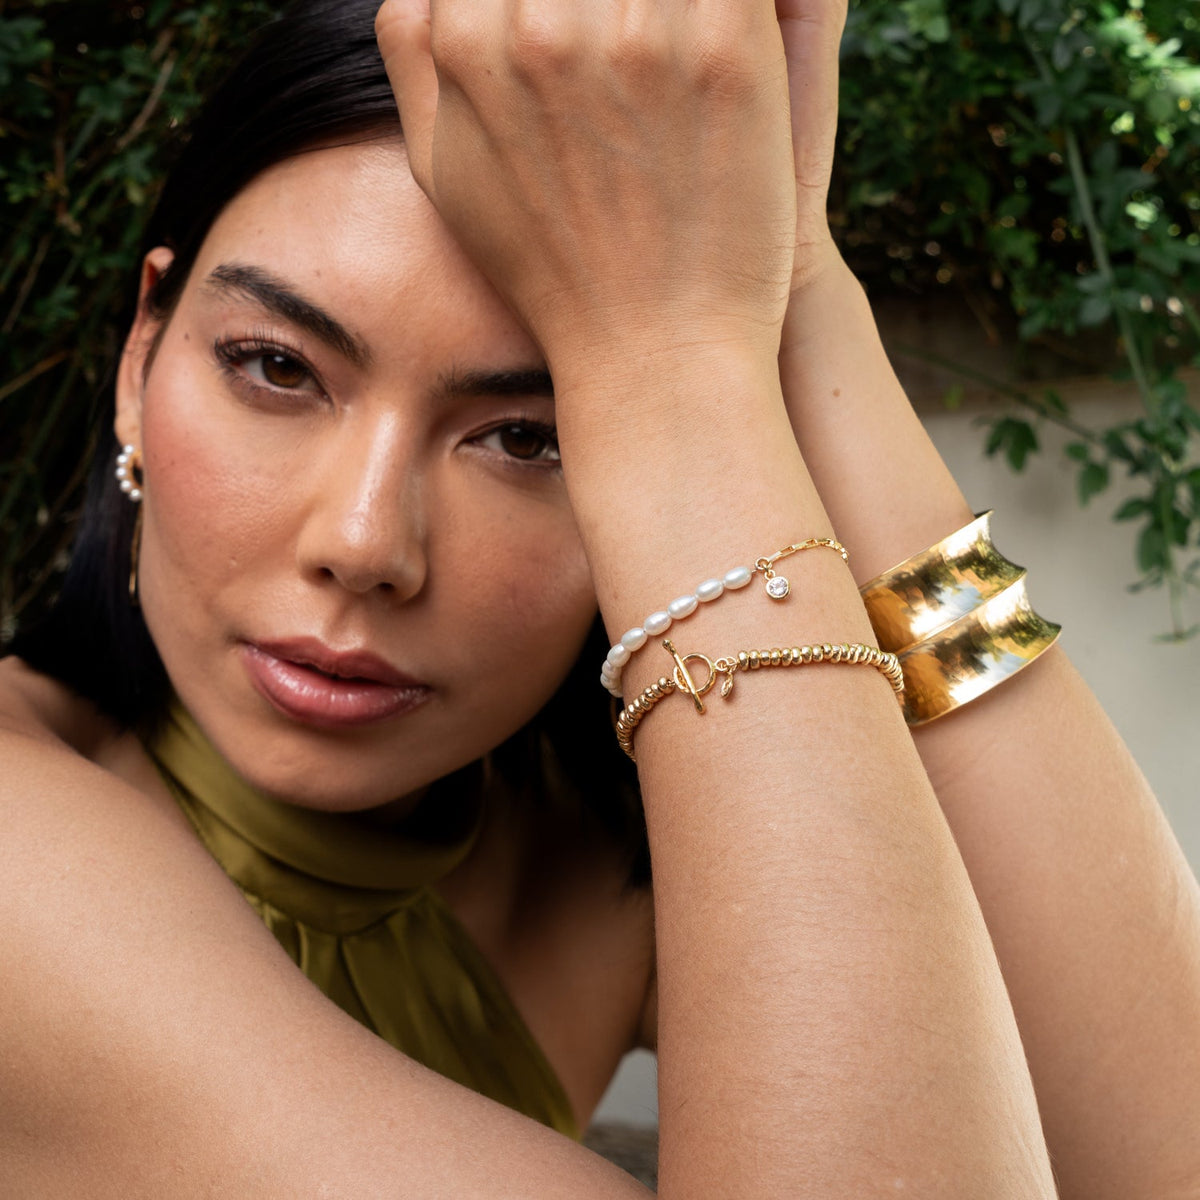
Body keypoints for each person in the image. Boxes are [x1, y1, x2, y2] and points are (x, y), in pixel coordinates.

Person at [2, 0, 1198, 1195]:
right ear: (140, 357)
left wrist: (794, 289)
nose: (364, 544)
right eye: (277, 367)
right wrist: (673, 367)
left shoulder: (597, 852)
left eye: (531, 436)